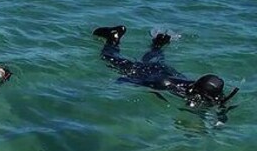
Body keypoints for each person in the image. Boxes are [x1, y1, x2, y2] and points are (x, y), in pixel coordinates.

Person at [92, 25, 239, 108]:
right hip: (150, 75)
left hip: (164, 71)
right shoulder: (165, 85)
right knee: (110, 58)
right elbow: (139, 81)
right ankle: (113, 37)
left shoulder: (203, 91)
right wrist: (122, 81)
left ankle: (158, 43)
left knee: (152, 61)